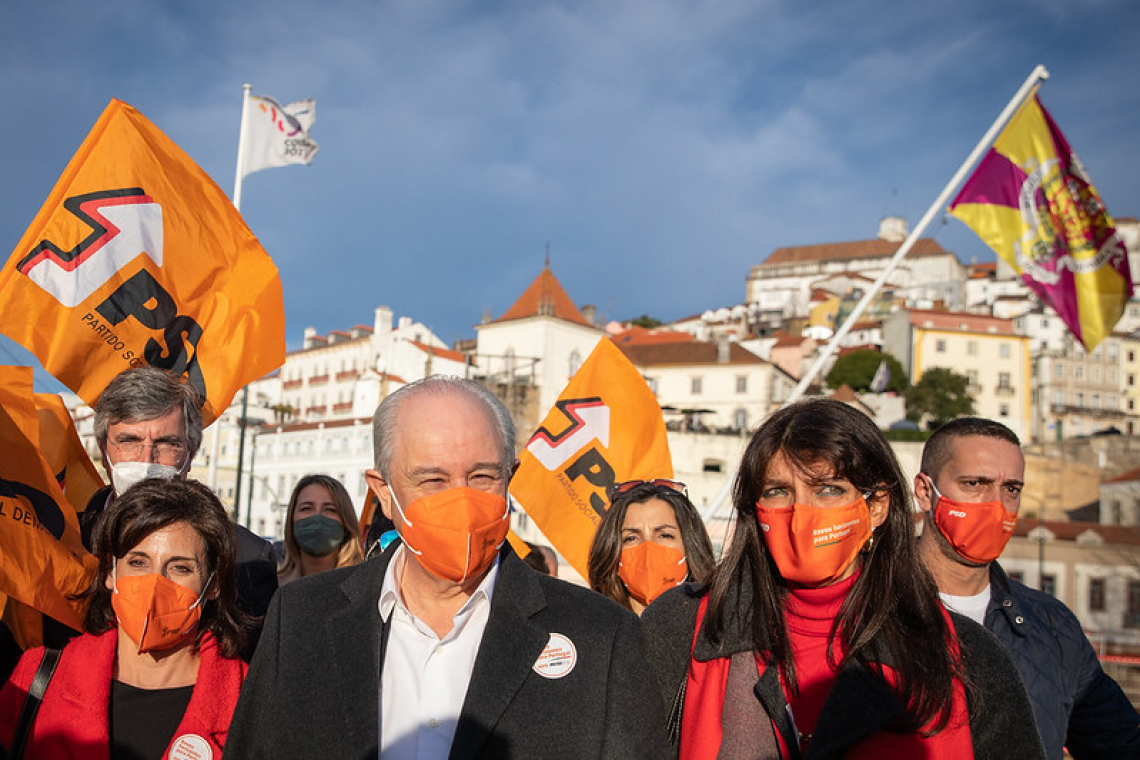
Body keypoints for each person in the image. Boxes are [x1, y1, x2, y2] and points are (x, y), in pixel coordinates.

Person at [225, 376, 669, 759]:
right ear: (383, 492)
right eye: (433, 481)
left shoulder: (601, 637)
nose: (461, 499)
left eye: (482, 477)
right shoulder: (301, 617)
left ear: (509, 477)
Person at [642, 398, 1044, 759]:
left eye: (829, 489)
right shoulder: (683, 627)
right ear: (755, 506)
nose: (802, 512)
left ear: (878, 506)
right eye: (778, 491)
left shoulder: (966, 656)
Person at [915, 416, 1140, 759]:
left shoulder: (1052, 625)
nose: (997, 505)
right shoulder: (869, 610)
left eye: (1011, 489)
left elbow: (1120, 742)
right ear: (925, 492)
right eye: (975, 484)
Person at [0, 479, 250, 759]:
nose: (155, 583)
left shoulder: (252, 699)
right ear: (110, 572)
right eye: (138, 562)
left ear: (213, 585)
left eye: (180, 567)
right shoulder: (37, 678)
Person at [84, 367, 278, 641]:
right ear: (104, 451)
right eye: (129, 441)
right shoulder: (63, 537)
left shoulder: (245, 557)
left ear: (192, 452)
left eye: (166, 443)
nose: (146, 459)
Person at [588, 479, 715, 614]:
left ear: (691, 545)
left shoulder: (719, 628)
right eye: (631, 538)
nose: (648, 548)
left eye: (665, 535)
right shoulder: (592, 627)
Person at [277, 474, 364, 585]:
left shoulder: (363, 585)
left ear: (346, 522)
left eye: (330, 509)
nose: (317, 517)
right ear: (291, 520)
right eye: (306, 508)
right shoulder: (270, 587)